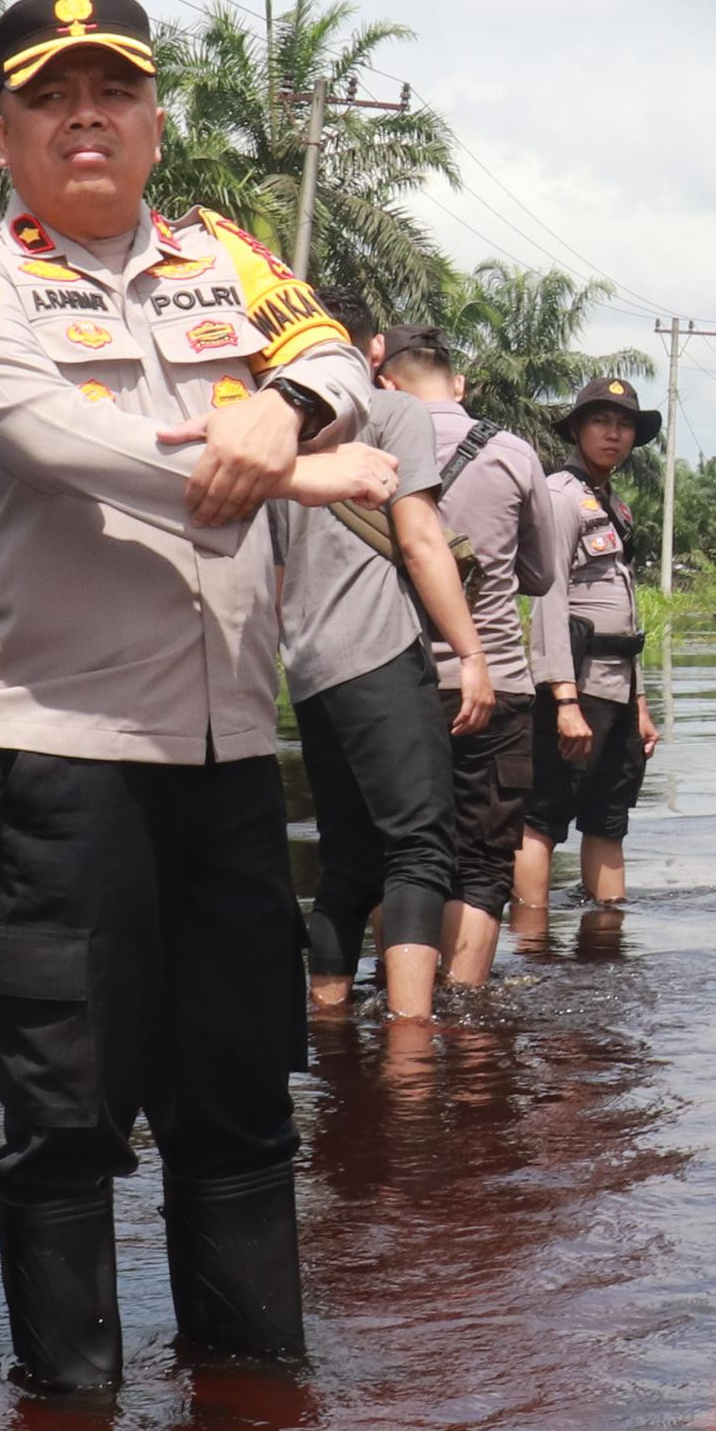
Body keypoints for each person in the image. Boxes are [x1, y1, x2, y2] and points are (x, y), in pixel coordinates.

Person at [0, 0, 397, 1395]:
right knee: (63, 1118)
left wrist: (284, 407)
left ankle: (251, 1417)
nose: (87, 118)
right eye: (53, 98)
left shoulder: (222, 256)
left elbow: (330, 357)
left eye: (112, 92)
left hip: (228, 754)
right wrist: (290, 469)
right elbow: (56, 440)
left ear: (154, 122)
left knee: (243, 1103)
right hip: (54, 752)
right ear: (3, 134)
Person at [278, 303, 492, 1023]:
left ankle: (329, 1019)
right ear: (370, 348)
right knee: (422, 847)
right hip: (376, 649)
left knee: (348, 862)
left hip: (305, 666)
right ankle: (409, 1050)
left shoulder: (265, 421)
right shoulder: (390, 409)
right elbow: (422, 539)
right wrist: (469, 652)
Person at [372, 328, 550, 985]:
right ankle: (466, 1011)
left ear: (384, 382)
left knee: (405, 852)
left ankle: (401, 1003)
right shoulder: (513, 453)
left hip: (393, 679)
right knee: (482, 861)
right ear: (460, 384)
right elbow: (540, 572)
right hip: (496, 680)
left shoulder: (367, 449)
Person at [522, 375, 661, 941]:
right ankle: (531, 949)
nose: (615, 434)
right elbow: (547, 601)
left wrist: (642, 702)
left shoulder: (612, 505)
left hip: (617, 687)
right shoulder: (560, 496)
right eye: (602, 422)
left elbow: (625, 614)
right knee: (543, 820)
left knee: (609, 818)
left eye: (625, 424)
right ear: (577, 429)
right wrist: (563, 699)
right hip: (576, 686)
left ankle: (607, 942)